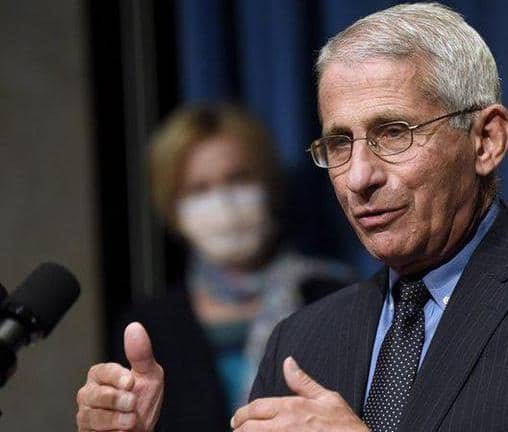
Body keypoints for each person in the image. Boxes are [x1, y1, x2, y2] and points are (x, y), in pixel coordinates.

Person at [76, 4, 508, 431]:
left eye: (393, 133)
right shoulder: (300, 341)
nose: (359, 176)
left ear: (486, 140)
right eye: (340, 143)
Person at [108, 105, 356, 431]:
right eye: (199, 189)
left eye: (237, 178)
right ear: (173, 209)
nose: (224, 202)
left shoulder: (336, 297)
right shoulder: (147, 329)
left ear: (268, 184)